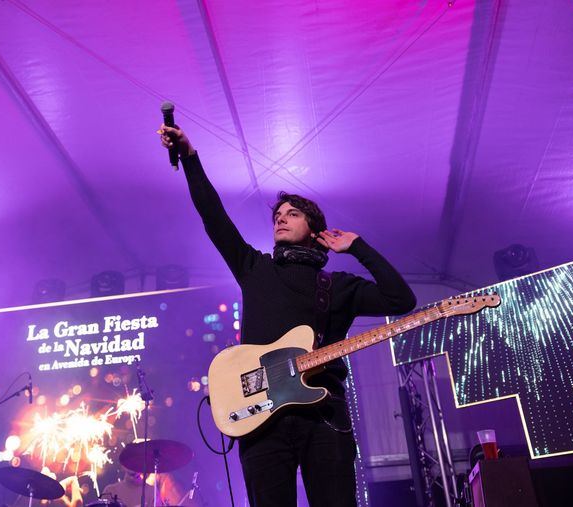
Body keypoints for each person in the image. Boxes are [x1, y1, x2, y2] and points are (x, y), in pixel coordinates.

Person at [158, 125, 416, 507]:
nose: (280, 218)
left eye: (292, 214)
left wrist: (358, 246)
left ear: (315, 230)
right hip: (260, 420)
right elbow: (213, 217)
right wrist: (191, 158)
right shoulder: (255, 268)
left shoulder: (340, 286)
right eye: (278, 214)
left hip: (324, 415)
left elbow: (401, 299)